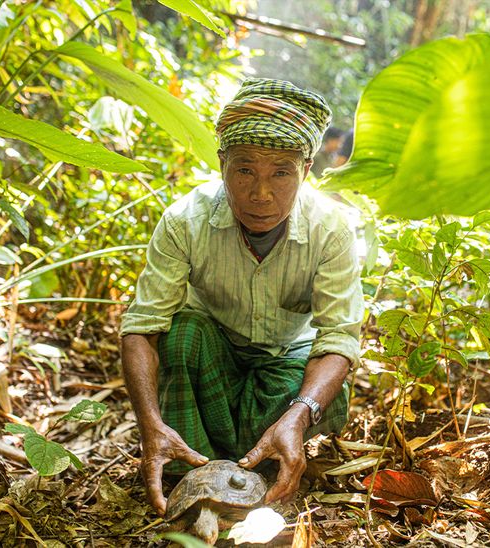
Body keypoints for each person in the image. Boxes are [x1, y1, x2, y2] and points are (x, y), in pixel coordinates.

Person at [120, 78, 363, 516]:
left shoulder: (332, 230)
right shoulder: (184, 222)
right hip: (215, 354)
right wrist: (150, 426)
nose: (261, 193)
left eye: (281, 173)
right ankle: (192, 468)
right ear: (221, 164)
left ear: (306, 171)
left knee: (319, 394)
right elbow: (142, 327)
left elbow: (338, 341)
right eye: (245, 170)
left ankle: (247, 454)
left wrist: (298, 414)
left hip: (283, 360)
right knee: (182, 333)